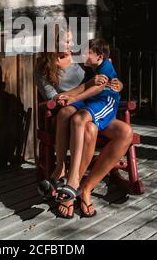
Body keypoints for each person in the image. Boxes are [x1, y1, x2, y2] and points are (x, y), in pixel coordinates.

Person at [35, 27, 129, 219]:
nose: (71, 46)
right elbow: (56, 99)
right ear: (53, 43)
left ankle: (85, 187)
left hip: (91, 105)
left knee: (125, 133)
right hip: (66, 113)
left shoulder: (80, 56)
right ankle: (70, 189)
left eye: (71, 41)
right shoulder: (42, 67)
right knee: (89, 129)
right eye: (66, 42)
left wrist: (118, 84)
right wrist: (89, 85)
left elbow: (105, 76)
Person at [56, 38, 121, 216]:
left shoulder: (106, 67)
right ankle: (66, 172)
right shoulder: (93, 69)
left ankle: (74, 179)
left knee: (80, 118)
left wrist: (74, 98)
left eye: (87, 53)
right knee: (73, 117)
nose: (83, 54)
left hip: (104, 103)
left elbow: (96, 90)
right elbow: (84, 87)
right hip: (92, 101)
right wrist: (65, 95)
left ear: (99, 56)